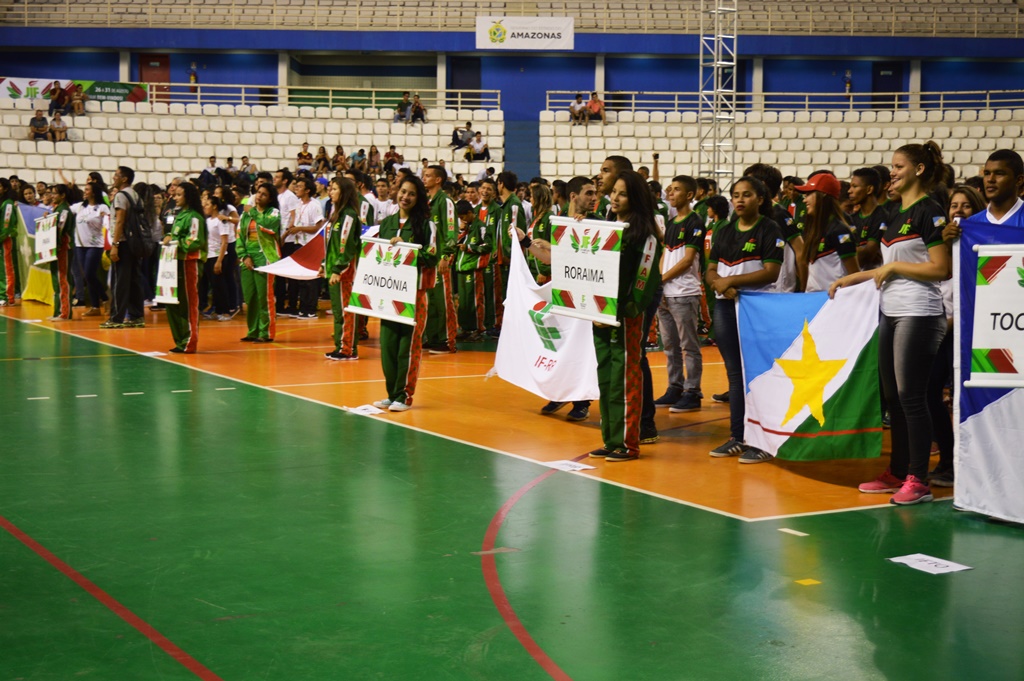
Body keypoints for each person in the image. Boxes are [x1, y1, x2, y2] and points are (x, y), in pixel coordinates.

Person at [830, 142, 951, 505]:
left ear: (919, 170)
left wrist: (893, 267)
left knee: (911, 396)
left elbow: (940, 268)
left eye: (899, 166)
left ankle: (919, 479)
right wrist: (852, 279)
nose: (892, 172)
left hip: (920, 313)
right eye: (892, 166)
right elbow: (885, 268)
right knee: (892, 398)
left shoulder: (931, 212)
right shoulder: (894, 213)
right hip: (891, 311)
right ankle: (898, 471)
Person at [564, 170, 662, 462]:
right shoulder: (605, 227)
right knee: (606, 376)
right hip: (600, 315)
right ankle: (611, 440)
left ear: (636, 197)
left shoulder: (645, 233)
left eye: (622, 193)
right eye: (613, 192)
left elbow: (644, 281)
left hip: (625, 318)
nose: (614, 198)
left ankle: (629, 444)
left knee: (625, 377)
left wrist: (624, 311)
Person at [706, 176, 784, 462]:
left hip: (757, 308)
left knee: (761, 374)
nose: (739, 200)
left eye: (747, 195)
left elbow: (771, 272)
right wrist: (717, 283)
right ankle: (737, 437)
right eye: (736, 195)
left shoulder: (770, 229)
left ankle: (764, 441)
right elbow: (710, 269)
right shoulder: (724, 231)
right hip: (725, 307)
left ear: (760, 199)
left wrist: (730, 282)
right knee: (735, 374)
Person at [373, 176, 438, 412]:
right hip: (389, 294)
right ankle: (392, 394)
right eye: (402, 191)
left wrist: (406, 251)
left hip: (414, 295)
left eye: (411, 193)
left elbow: (432, 257)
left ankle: (405, 396)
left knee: (407, 348)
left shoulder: (426, 225)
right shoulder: (386, 223)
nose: (405, 197)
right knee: (388, 346)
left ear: (418, 197)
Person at [539, 175, 599, 422]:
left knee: (583, 349)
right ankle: (561, 392)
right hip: (562, 292)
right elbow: (549, 258)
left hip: (587, 295)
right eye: (589, 193)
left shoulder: (599, 223)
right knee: (559, 345)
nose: (594, 198)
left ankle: (582, 400)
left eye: (595, 193)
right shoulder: (554, 221)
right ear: (574, 196)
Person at [655, 175, 706, 413]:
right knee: (669, 345)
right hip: (666, 292)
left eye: (676, 190)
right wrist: (658, 280)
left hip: (684, 293)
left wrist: (662, 279)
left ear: (689, 195)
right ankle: (674, 387)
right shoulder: (673, 222)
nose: (670, 193)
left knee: (689, 345)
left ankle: (693, 391)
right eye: (670, 189)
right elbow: (666, 253)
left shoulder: (695, 222)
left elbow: (687, 261)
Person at [793, 172, 860, 292]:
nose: (805, 200)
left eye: (809, 194)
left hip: (834, 301)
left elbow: (854, 274)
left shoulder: (839, 230)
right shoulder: (814, 227)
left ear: (823, 195)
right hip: (814, 299)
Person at [162, 183, 207, 353]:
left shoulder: (194, 217)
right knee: (173, 302)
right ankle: (180, 340)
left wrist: (174, 242)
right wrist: (168, 237)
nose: (175, 197)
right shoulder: (180, 215)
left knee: (188, 304)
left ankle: (189, 341)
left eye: (179, 195)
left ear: (188, 196)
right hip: (174, 263)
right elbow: (173, 235)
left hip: (189, 264)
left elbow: (195, 241)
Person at [101, 167, 147, 329]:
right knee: (134, 280)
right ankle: (137, 316)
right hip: (135, 243)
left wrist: (115, 244)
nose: (113, 178)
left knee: (119, 281)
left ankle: (116, 317)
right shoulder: (135, 195)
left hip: (123, 243)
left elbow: (120, 221)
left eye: (116, 175)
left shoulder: (121, 196)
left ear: (124, 179)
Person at [324, 176, 363, 361]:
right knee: (339, 311)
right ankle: (341, 346)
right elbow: (332, 246)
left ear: (344, 192)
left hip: (344, 273)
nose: (330, 192)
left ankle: (348, 349)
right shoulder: (337, 215)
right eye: (330, 188)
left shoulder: (348, 215)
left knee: (346, 312)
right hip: (333, 270)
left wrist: (338, 269)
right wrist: (325, 265)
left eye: (334, 189)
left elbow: (346, 247)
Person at [237, 184, 282, 343]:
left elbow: (267, 225)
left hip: (266, 259)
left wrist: (252, 211)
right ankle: (253, 331)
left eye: (263, 194)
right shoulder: (245, 216)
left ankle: (266, 332)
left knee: (265, 297)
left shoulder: (273, 213)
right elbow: (240, 238)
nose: (259, 196)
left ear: (270, 198)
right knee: (251, 298)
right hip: (248, 259)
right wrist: (244, 256)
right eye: (258, 193)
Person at [422, 165, 458, 354]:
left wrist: (446, 256)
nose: (424, 178)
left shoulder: (446, 202)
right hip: (428, 260)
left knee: (444, 300)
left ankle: (446, 340)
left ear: (438, 180)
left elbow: (451, 230)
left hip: (441, 260)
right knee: (432, 301)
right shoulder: (428, 202)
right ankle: (433, 336)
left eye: (427, 176)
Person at [70, 181, 110, 317]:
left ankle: (105, 299)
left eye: (87, 189)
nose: (84, 192)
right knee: (88, 276)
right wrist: (48, 213)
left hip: (95, 245)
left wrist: (106, 219)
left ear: (93, 192)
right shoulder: (80, 206)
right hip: (80, 245)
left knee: (89, 274)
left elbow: (108, 222)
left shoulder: (102, 207)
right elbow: (64, 210)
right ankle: (95, 307)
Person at [454, 199, 491, 342]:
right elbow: (457, 241)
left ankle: (478, 329)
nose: (461, 220)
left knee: (474, 300)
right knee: (463, 302)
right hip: (461, 268)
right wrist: (462, 230)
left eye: (462, 217)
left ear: (470, 213)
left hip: (473, 268)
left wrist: (470, 248)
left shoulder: (481, 227)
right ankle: (465, 328)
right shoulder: (466, 228)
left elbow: (488, 246)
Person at [288, 176, 325, 319]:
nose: (296, 188)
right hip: (299, 244)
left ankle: (311, 308)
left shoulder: (314, 205)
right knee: (301, 278)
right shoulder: (298, 204)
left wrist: (300, 229)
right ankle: (302, 307)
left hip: (311, 245)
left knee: (311, 279)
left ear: (308, 190)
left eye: (300, 186)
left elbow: (318, 226)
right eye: (296, 186)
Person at [847, 167, 886, 271]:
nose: (849, 191)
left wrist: (849, 251)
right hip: (855, 277)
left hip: (875, 278)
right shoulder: (851, 219)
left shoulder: (883, 215)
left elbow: (866, 256)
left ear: (869, 189)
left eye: (854, 186)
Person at [45, 185, 74, 321]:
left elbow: (59, 231)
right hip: (55, 248)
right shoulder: (55, 209)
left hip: (62, 248)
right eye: (51, 193)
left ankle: (65, 313)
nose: (52, 196)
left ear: (62, 196)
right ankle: (58, 311)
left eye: (55, 193)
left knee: (63, 279)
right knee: (56, 280)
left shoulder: (64, 211)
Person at [0, 179, 18, 306]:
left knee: (6, 269)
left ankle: (7, 296)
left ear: (5, 189)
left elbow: (7, 224)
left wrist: (1, 237)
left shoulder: (8, 204)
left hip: (4, 240)